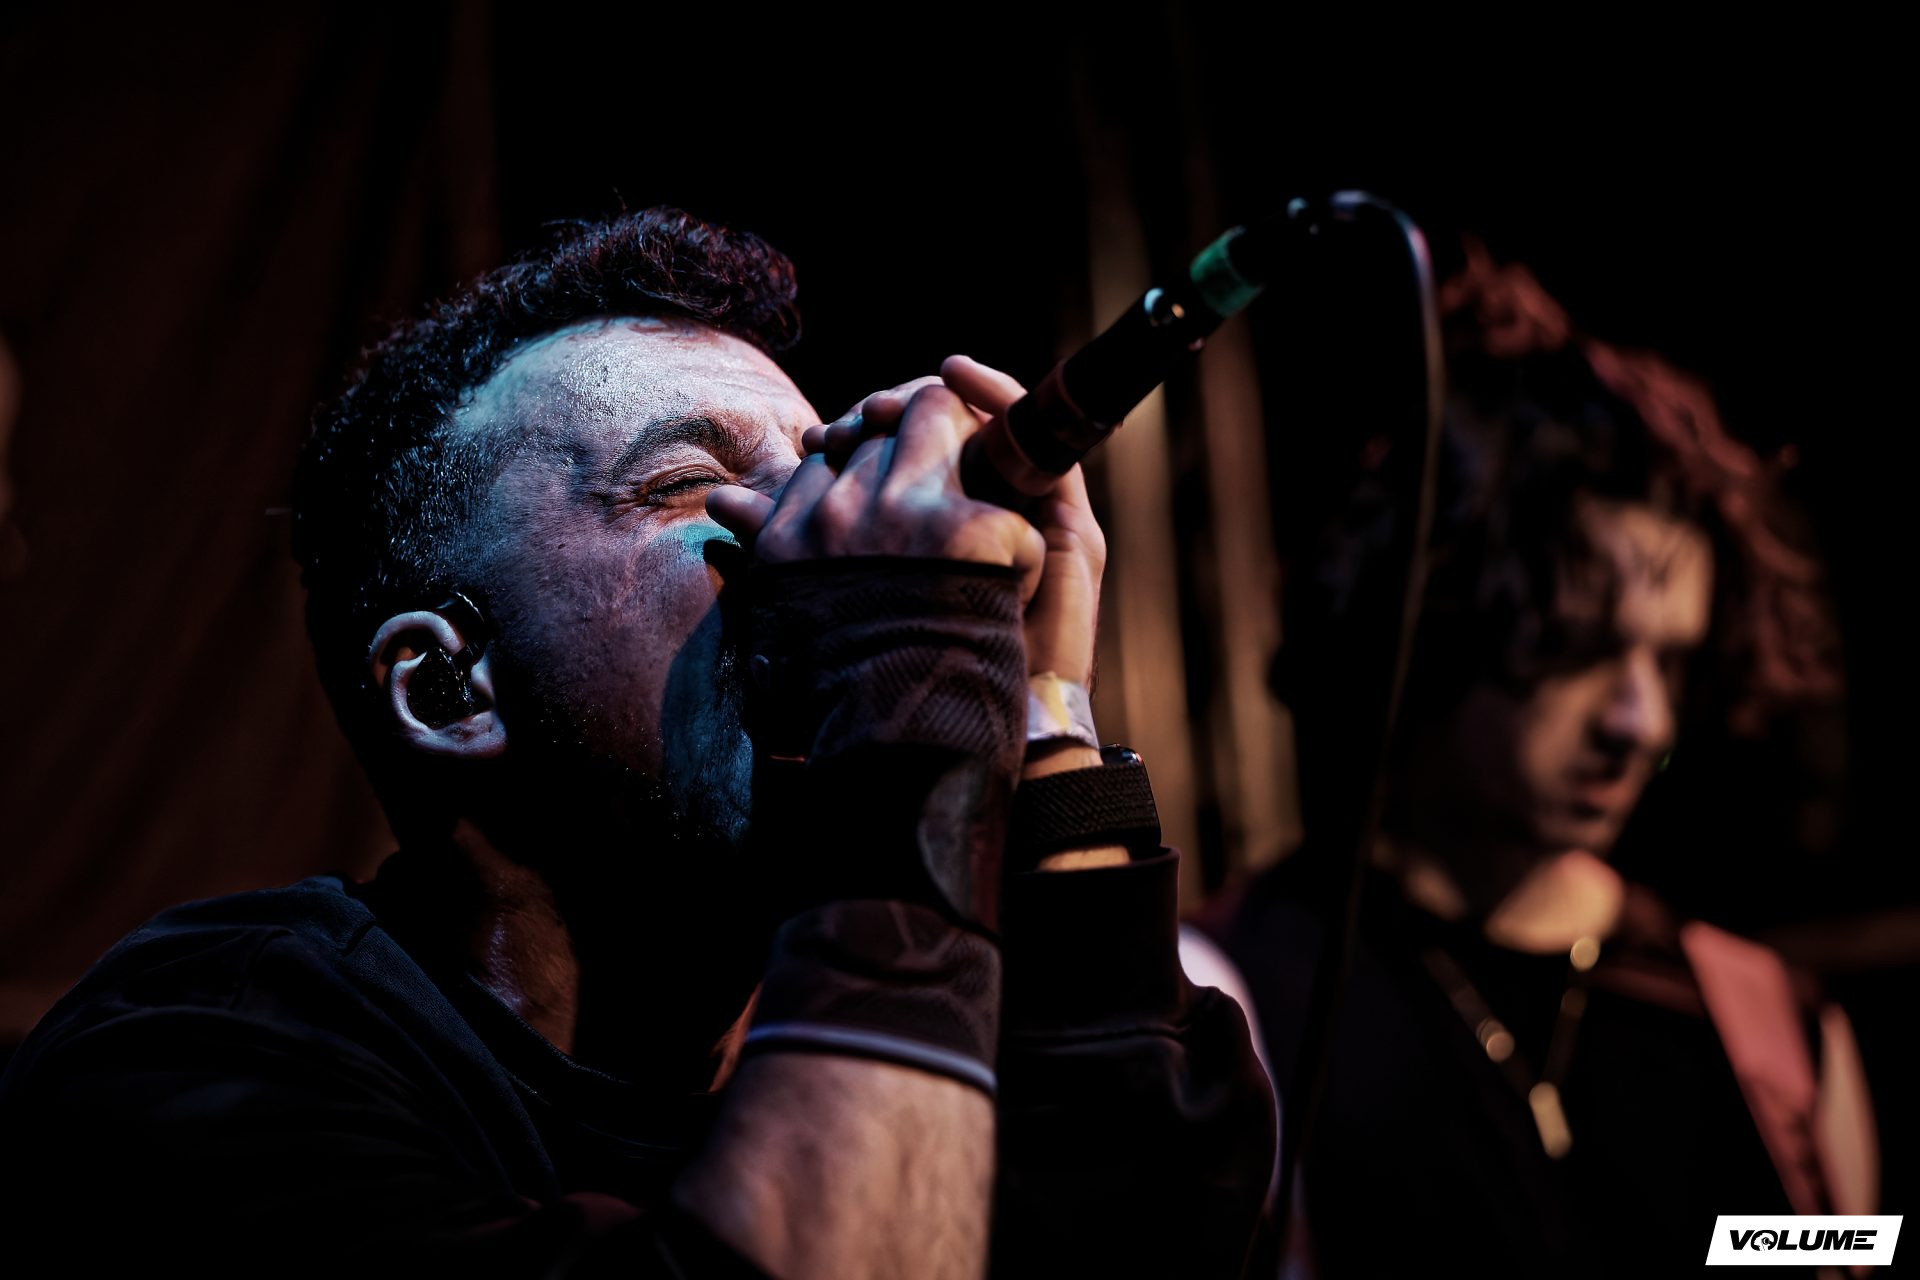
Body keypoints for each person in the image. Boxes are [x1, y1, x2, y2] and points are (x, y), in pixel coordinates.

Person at [0, 208, 1274, 1277]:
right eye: (686, 486)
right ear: (447, 688)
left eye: (815, 468)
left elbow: (1146, 1227)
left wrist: (1039, 701)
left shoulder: (899, 1035)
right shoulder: (199, 1059)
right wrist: (906, 691)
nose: (813, 526)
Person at [1197, 245, 1874, 1277]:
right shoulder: (1242, 1000)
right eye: (1578, 647)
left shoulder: (1768, 1024)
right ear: (1435, 622)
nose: (1642, 719)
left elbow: (1826, 1255)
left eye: (1672, 659)